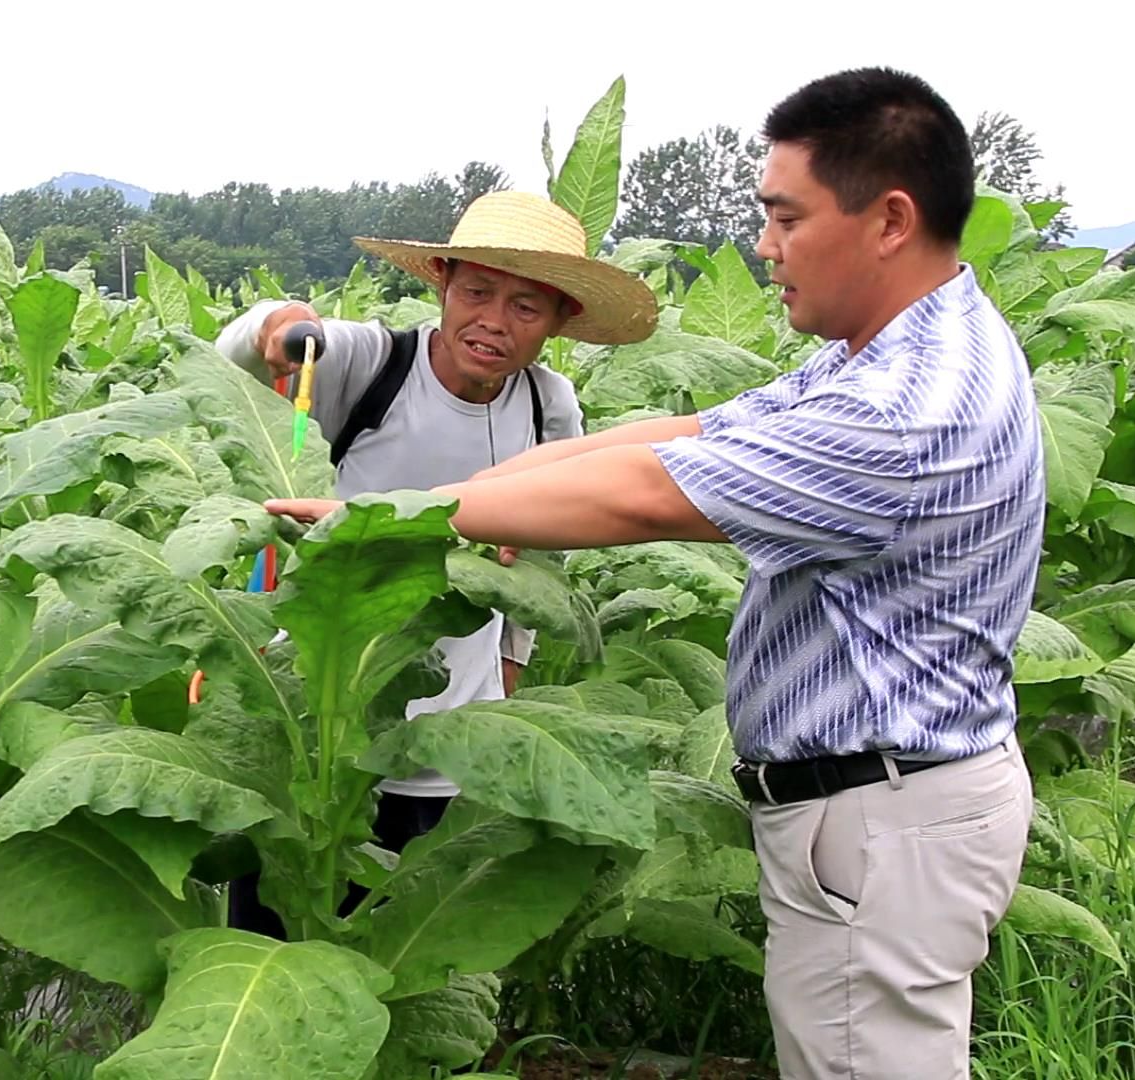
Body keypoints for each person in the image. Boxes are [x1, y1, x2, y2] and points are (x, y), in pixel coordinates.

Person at [267, 68, 1043, 1080]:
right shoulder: (893, 351)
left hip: (883, 818)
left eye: (785, 217)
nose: (763, 246)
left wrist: (393, 517)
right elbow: (692, 429)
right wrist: (481, 489)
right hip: (886, 810)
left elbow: (647, 492)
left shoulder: (904, 410)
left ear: (890, 219)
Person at [216, 190, 658, 932]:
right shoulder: (372, 362)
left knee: (407, 945)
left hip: (449, 745)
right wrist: (279, 324)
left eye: (525, 306)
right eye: (477, 291)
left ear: (558, 322)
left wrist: (512, 657)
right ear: (443, 285)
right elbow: (246, 354)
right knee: (279, 930)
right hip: (317, 720)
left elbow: (544, 560)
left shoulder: (550, 409)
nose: (492, 320)